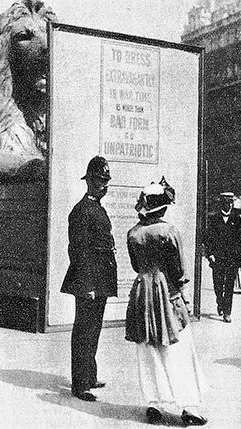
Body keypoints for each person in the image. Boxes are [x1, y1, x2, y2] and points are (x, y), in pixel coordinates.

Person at [125, 178, 207, 426]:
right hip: (165, 289)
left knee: (147, 345)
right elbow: (178, 270)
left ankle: (154, 403)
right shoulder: (169, 231)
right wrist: (183, 292)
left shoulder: (133, 233)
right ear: (162, 208)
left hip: (141, 291)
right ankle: (188, 406)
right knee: (177, 345)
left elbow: (135, 265)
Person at [61, 156, 117, 402]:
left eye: (106, 181)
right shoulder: (82, 210)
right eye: (100, 181)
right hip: (89, 282)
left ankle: (90, 375)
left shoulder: (96, 208)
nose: (104, 185)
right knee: (83, 331)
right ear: (90, 181)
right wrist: (88, 285)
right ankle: (79, 384)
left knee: (94, 329)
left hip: (100, 279)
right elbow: (78, 251)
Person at [204, 192, 241, 323]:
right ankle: (219, 302)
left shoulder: (237, 219)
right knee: (218, 283)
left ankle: (227, 312)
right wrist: (210, 254)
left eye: (231, 202)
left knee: (229, 285)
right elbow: (208, 238)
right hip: (218, 257)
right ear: (222, 203)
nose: (229, 205)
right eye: (227, 202)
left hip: (233, 258)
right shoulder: (214, 219)